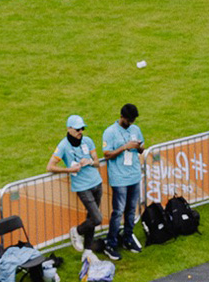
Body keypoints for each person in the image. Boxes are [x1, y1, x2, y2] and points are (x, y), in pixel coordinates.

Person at [46, 113, 105, 254]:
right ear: (69, 129)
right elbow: (50, 166)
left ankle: (88, 251)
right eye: (78, 130)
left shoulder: (88, 141)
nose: (80, 132)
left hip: (97, 183)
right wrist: (69, 170)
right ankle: (77, 231)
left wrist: (89, 161)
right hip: (82, 187)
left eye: (82, 129)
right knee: (97, 218)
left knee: (91, 218)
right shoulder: (63, 146)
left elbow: (97, 162)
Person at [101, 104, 146, 256]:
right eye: (129, 120)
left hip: (134, 175)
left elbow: (142, 148)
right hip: (119, 178)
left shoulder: (135, 129)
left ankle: (127, 238)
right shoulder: (110, 132)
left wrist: (139, 147)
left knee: (131, 210)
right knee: (118, 211)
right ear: (122, 117)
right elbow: (107, 155)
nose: (131, 123)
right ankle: (111, 243)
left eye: (133, 120)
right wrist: (125, 147)